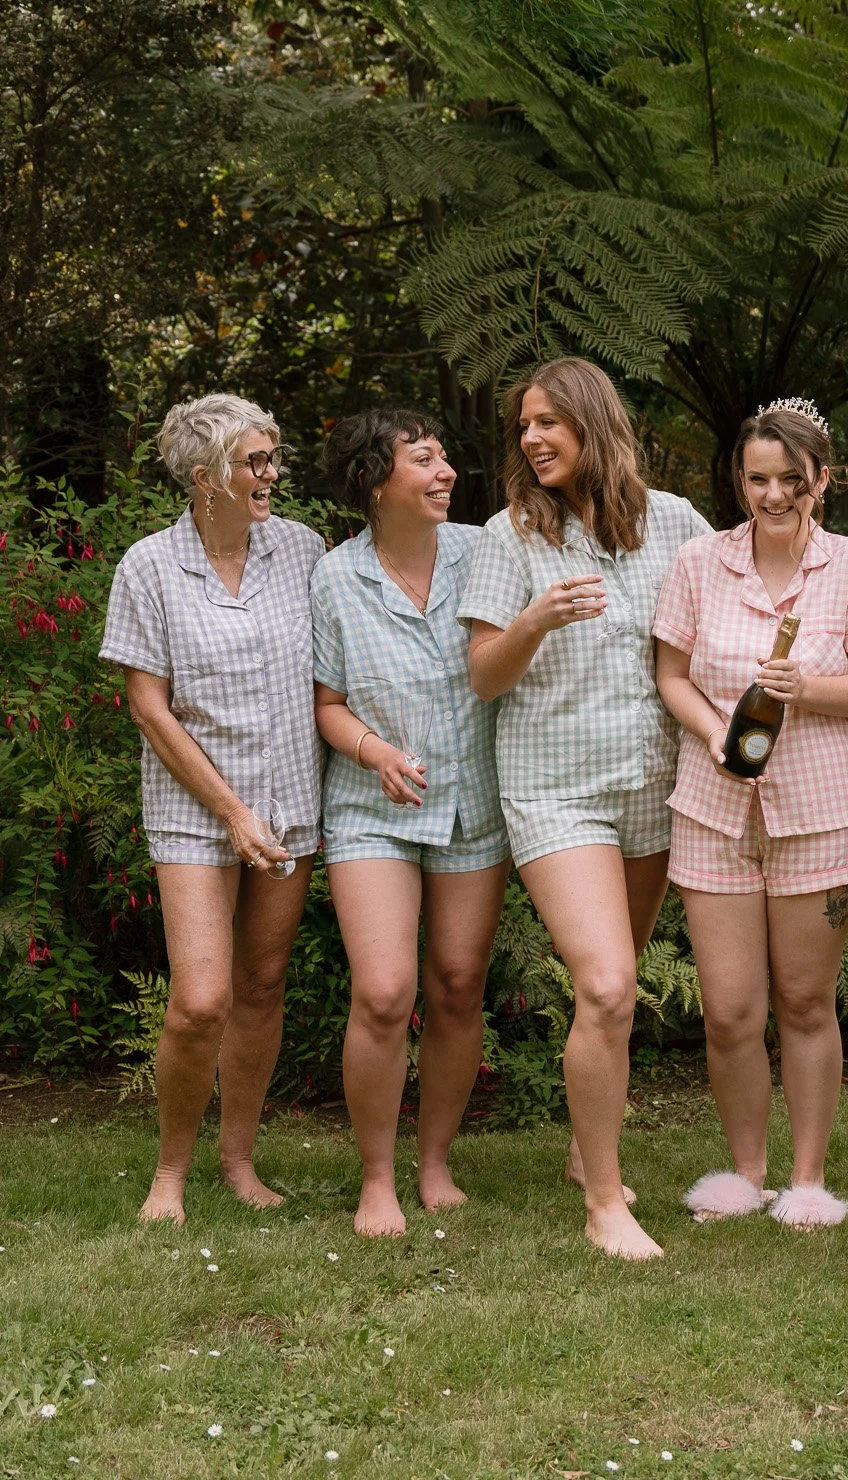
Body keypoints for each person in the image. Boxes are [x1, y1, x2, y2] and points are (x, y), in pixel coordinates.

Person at [460, 359, 711, 1261]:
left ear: (593, 425)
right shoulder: (506, 534)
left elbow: (723, 618)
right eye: (524, 425)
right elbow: (484, 676)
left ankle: (581, 1148)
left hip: (650, 783)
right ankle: (605, 1204)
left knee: (620, 982)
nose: (531, 440)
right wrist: (533, 620)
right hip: (555, 787)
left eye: (549, 424)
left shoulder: (674, 521)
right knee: (604, 984)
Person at [654, 398, 848, 1230]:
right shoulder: (697, 561)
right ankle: (745, 1172)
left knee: (803, 1001)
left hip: (819, 812)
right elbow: (671, 676)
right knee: (728, 1009)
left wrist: (809, 690)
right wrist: (714, 730)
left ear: (819, 480)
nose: (771, 496)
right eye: (756, 479)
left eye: (789, 480)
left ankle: (806, 1179)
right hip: (713, 809)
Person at [99, 393, 323, 1224]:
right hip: (197, 812)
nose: (271, 473)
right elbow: (149, 708)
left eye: (272, 458)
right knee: (201, 999)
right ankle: (169, 1174)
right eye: (253, 462)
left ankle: (239, 1160)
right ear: (204, 479)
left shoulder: (302, 550)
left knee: (262, 985)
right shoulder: (148, 567)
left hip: (291, 801)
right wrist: (231, 810)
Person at [312, 412, 510, 1238]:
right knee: (386, 992)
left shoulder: (483, 551)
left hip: (472, 803)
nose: (445, 473)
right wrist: (373, 751)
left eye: (444, 460)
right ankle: (377, 1180)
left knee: (459, 987)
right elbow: (325, 703)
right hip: (372, 809)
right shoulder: (333, 578)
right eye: (422, 461)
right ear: (374, 481)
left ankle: (435, 1165)